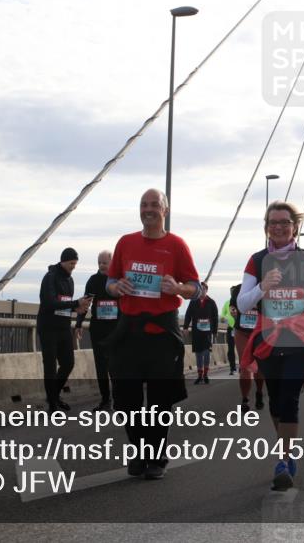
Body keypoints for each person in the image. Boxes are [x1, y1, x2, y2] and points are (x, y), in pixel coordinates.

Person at [106, 189, 201, 480]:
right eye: (144, 205)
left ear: (165, 210)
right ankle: (138, 450)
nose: (148, 209)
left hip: (162, 331)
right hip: (129, 330)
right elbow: (110, 281)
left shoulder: (177, 245)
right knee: (127, 399)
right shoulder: (125, 242)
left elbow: (197, 288)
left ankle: (156, 458)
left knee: (160, 400)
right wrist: (115, 287)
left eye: (154, 205)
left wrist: (178, 289)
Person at [238, 201, 304, 491]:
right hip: (268, 338)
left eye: (284, 222)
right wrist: (262, 286)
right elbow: (242, 303)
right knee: (276, 400)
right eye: (273, 222)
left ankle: (284, 459)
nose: (278, 226)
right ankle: (287, 451)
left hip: (299, 337)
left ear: (295, 227)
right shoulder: (256, 260)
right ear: (266, 227)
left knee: (289, 397)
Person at [37, 248, 92, 413]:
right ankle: (53, 405)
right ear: (63, 261)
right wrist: (75, 303)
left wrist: (78, 309)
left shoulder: (70, 280)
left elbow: (65, 305)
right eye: (71, 263)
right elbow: (51, 303)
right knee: (50, 366)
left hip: (63, 327)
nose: (73, 267)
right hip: (48, 327)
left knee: (68, 363)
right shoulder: (50, 277)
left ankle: (54, 395)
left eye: (75, 264)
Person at [75, 250, 118, 411]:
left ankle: (118, 399)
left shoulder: (118, 281)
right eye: (99, 262)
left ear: (111, 263)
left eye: (104, 263)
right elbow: (86, 303)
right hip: (98, 328)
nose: (101, 265)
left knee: (115, 366)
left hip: (116, 329)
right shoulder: (93, 280)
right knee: (101, 366)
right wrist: (79, 323)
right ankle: (105, 400)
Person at [229, 283, 265, 412]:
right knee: (245, 367)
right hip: (242, 332)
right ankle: (245, 399)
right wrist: (232, 309)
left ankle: (259, 392)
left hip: (260, 332)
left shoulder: (266, 287)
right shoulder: (238, 289)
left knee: (259, 367)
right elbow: (232, 304)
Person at [183, 282, 219, 384]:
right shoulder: (193, 301)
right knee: (198, 354)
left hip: (207, 332)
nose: (202, 291)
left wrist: (215, 331)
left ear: (206, 290)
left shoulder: (211, 302)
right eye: (200, 289)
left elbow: (215, 318)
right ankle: (199, 375)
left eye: (203, 289)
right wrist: (185, 327)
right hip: (196, 331)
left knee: (206, 353)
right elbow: (188, 314)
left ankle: (206, 374)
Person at [221, 287, 238, 374]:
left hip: (240, 329)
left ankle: (243, 367)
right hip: (231, 328)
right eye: (231, 292)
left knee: (242, 349)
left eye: (233, 292)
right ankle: (233, 368)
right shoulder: (227, 303)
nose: (232, 293)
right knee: (231, 349)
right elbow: (222, 315)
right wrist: (224, 318)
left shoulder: (240, 302)